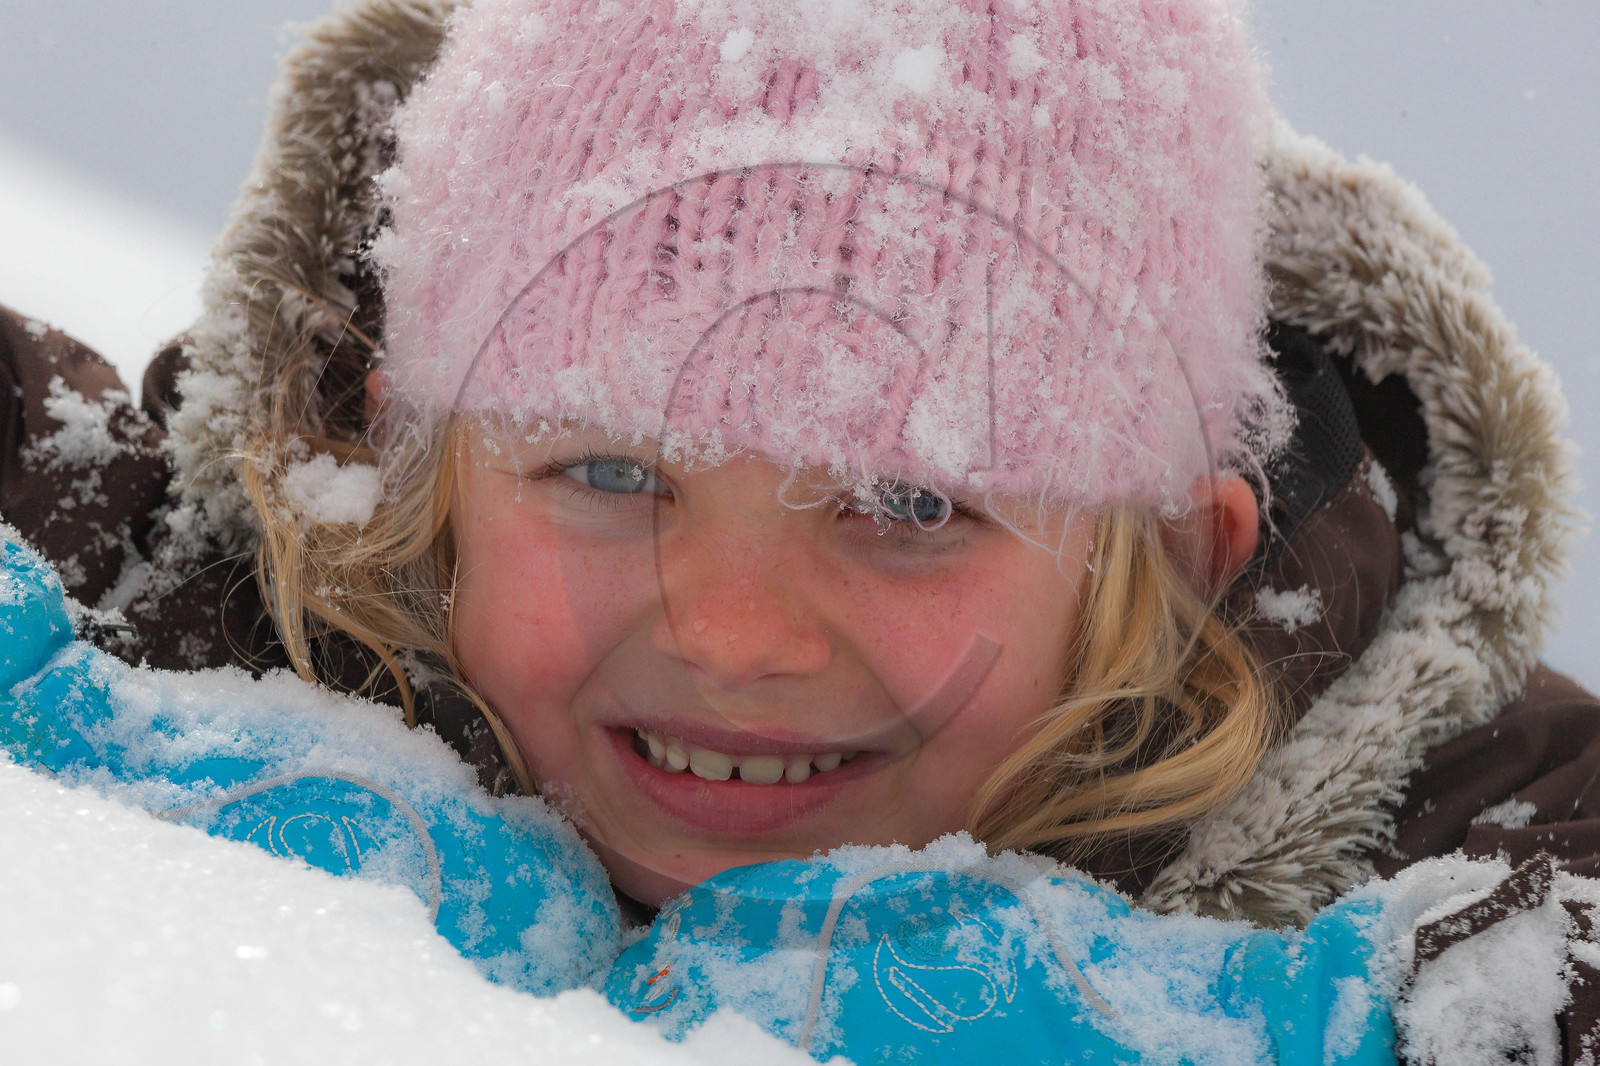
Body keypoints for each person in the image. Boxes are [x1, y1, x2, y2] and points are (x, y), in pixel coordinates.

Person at [2, 0, 1598, 1057]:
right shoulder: (167, 605)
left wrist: (1345, 1023)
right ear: (401, 451)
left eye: (906, 503)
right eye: (615, 474)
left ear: (1178, 555)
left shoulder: (1438, 830)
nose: (731, 629)